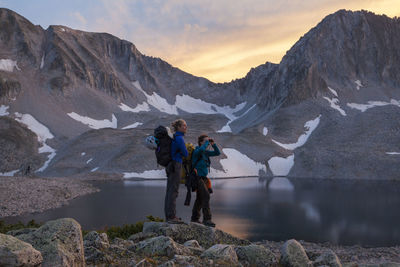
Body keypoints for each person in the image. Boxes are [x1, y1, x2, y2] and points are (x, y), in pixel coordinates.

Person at [191, 134, 220, 227]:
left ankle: (194, 218)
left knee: (200, 198)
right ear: (200, 142)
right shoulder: (197, 151)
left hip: (203, 178)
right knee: (206, 196)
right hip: (196, 177)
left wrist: (213, 144)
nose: (207, 143)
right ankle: (207, 219)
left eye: (207, 141)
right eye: (205, 141)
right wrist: (207, 143)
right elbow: (201, 149)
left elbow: (217, 153)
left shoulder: (205, 153)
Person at [165, 119, 188, 224]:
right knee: (174, 191)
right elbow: (186, 153)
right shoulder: (179, 138)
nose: (185, 127)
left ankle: (169, 215)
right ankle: (172, 217)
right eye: (184, 126)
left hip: (171, 165)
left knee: (170, 191)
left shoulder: (174, 137)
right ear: (178, 127)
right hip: (176, 165)